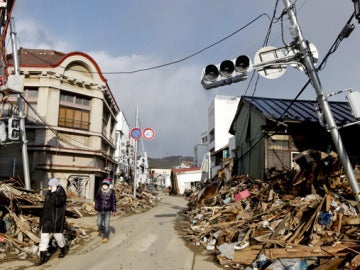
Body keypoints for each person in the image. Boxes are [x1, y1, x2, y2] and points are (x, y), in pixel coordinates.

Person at [37, 178, 68, 265]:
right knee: (44, 239)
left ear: (55, 185)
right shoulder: (48, 193)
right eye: (48, 185)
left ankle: (63, 249)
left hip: (56, 221)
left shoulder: (61, 194)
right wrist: (42, 220)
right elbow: (46, 207)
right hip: (47, 220)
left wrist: (54, 193)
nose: (48, 187)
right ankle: (42, 258)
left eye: (50, 185)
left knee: (59, 238)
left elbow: (57, 203)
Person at [95, 178, 116, 243]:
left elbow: (113, 201)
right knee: (98, 223)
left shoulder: (111, 192)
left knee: (107, 224)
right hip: (100, 210)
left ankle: (105, 236)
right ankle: (103, 229)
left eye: (106, 184)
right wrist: (96, 208)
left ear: (108, 185)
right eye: (104, 184)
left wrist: (114, 211)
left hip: (108, 211)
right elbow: (97, 200)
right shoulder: (99, 191)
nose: (105, 185)